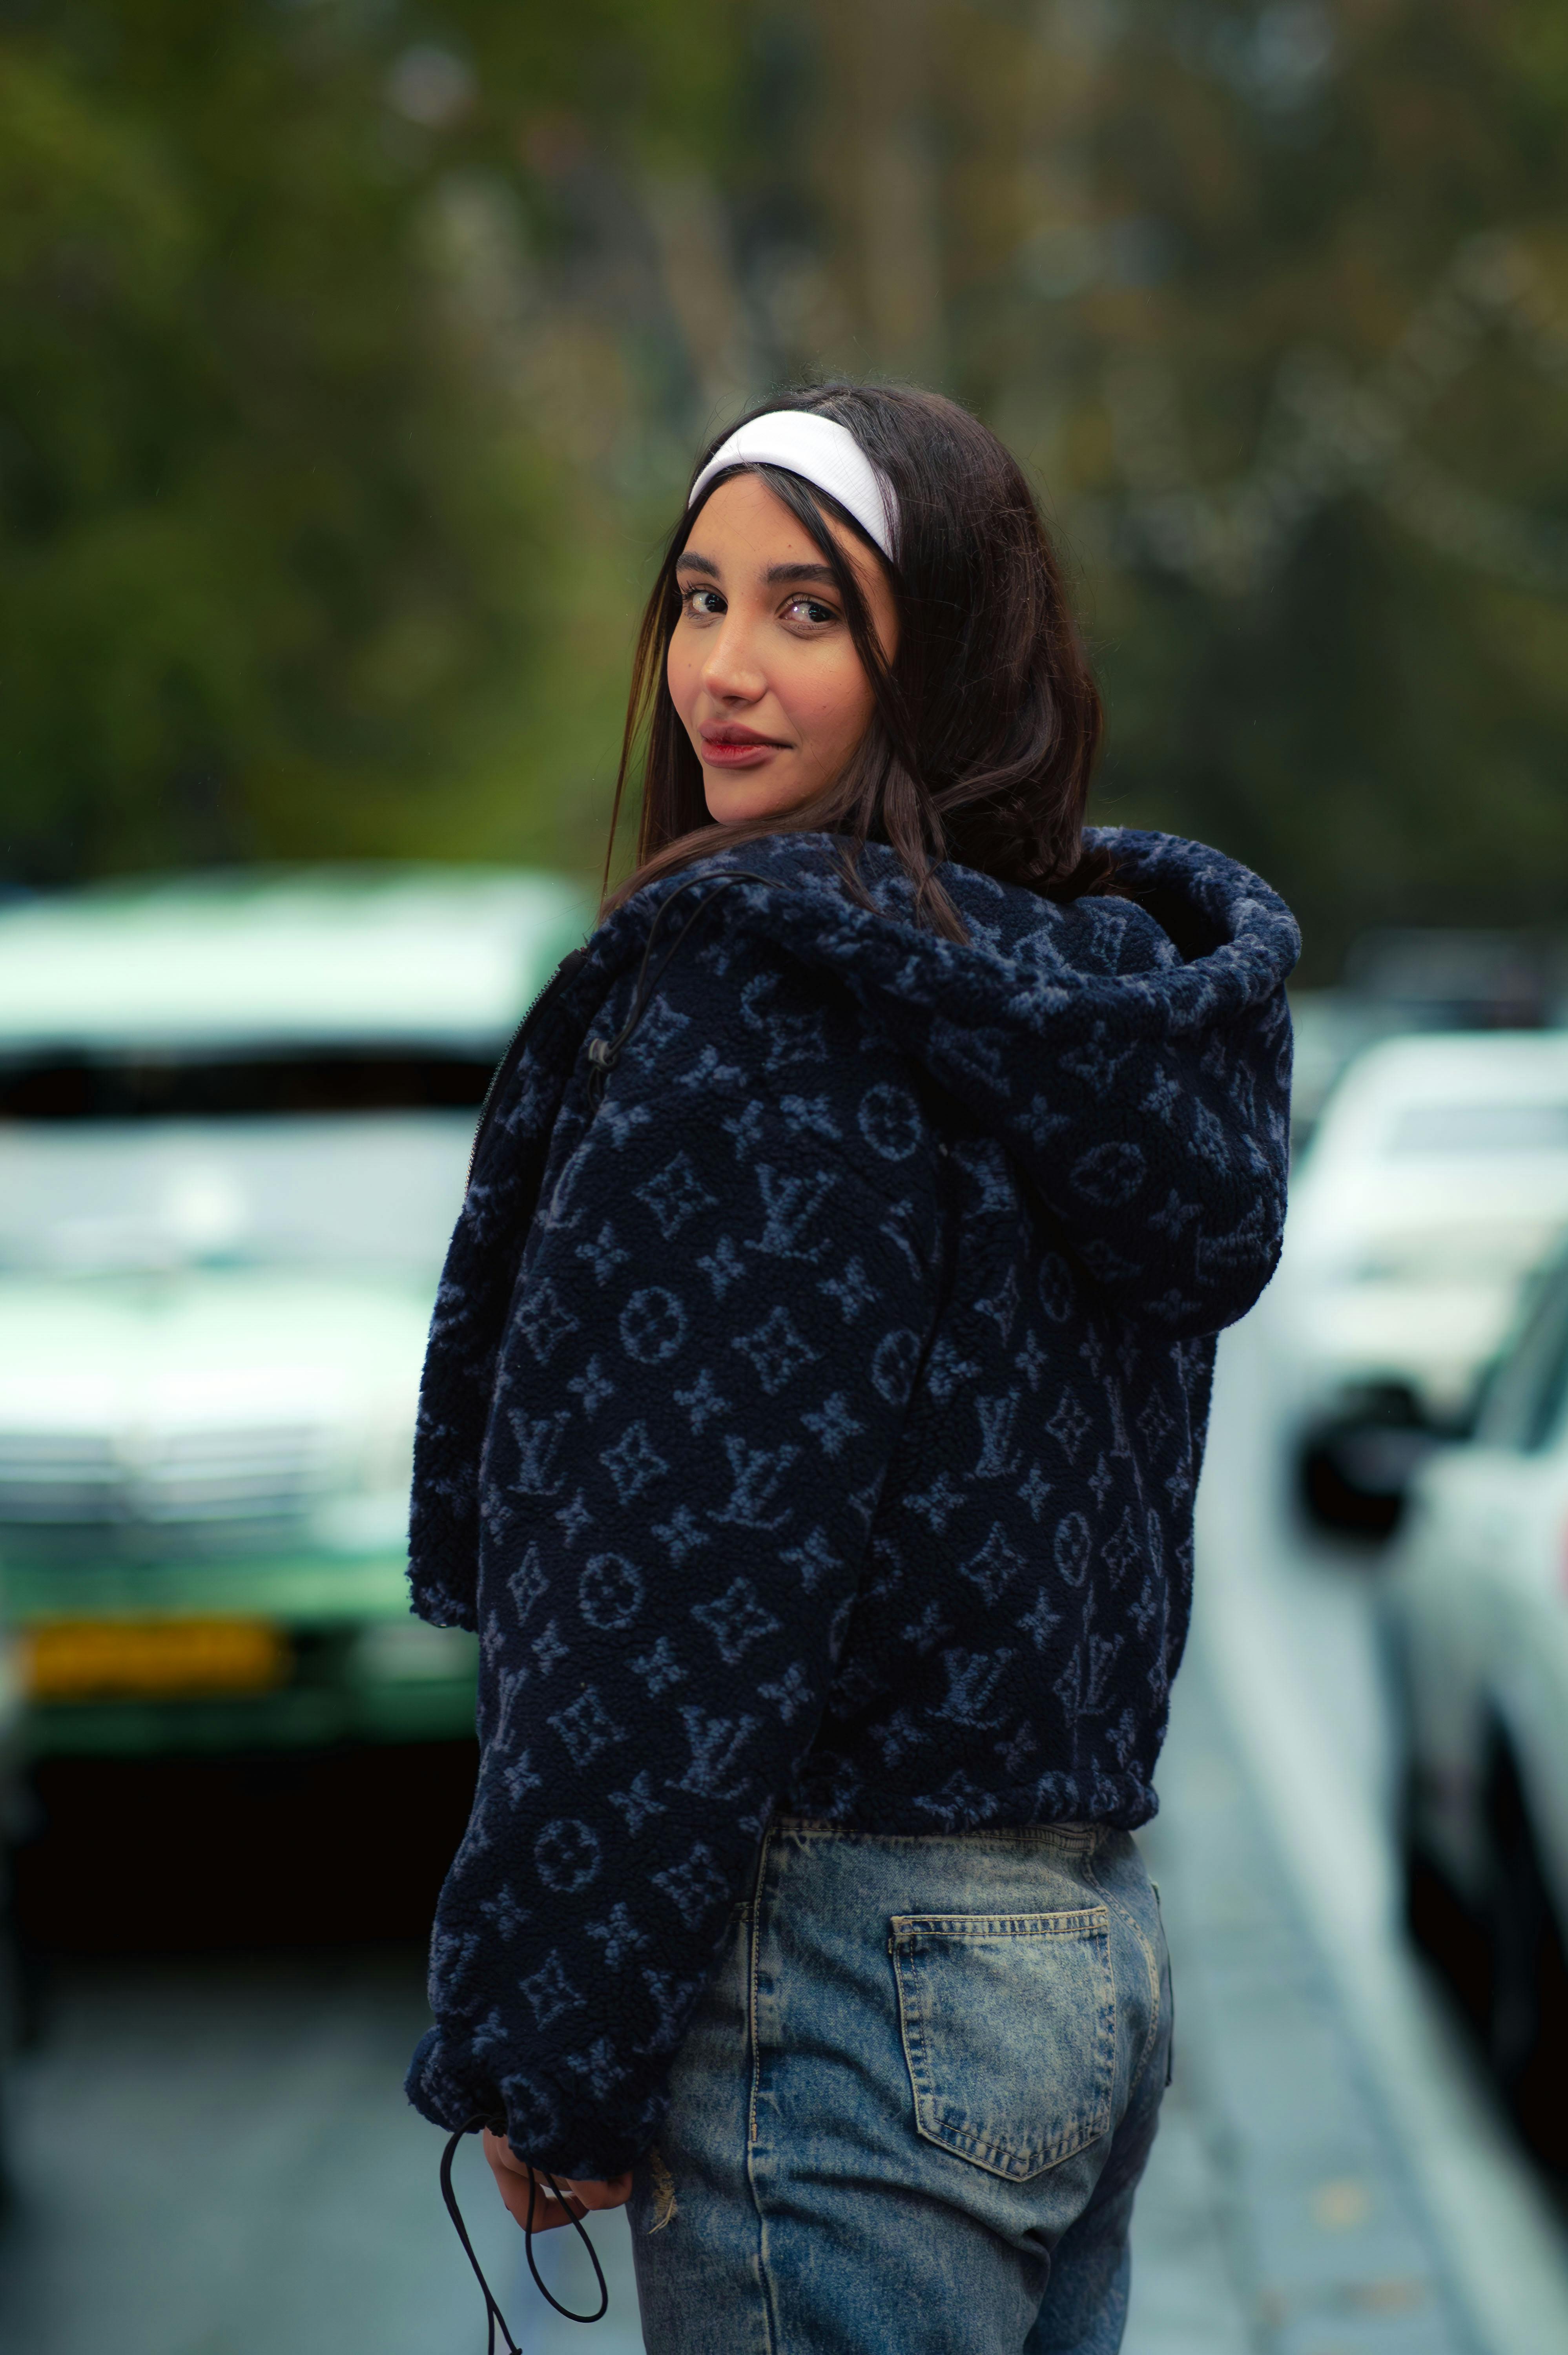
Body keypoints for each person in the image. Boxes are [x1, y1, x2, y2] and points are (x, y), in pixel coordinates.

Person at [405, 383, 1298, 2352]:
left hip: (830, 1986)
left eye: (811, 614)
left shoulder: (760, 996)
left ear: (953, 647)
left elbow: (677, 1584)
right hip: (1070, 1959)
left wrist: (553, 2040)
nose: (721, 671)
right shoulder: (1069, 1009)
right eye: (698, 599)